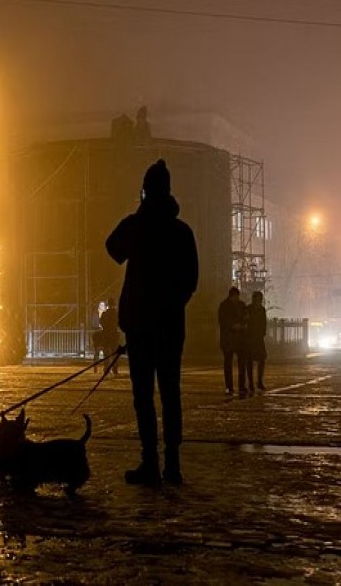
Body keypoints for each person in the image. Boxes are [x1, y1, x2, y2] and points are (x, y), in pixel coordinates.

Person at [106, 159, 198, 486]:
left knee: (143, 396)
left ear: (145, 191)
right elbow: (191, 281)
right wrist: (171, 306)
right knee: (171, 395)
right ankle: (172, 464)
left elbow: (112, 247)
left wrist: (140, 211)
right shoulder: (182, 231)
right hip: (171, 328)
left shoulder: (138, 225)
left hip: (141, 328)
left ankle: (150, 461)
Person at [218, 287, 247, 396]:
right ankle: (229, 386)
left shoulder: (240, 305)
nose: (236, 299)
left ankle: (241, 385)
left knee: (241, 363)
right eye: (235, 297)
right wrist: (233, 326)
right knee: (228, 364)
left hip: (239, 339)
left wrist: (243, 324)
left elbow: (245, 317)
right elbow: (223, 322)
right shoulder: (224, 306)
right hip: (229, 339)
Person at [245, 291, 267, 391]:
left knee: (261, 359)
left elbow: (264, 322)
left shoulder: (262, 310)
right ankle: (251, 383)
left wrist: (263, 332)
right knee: (250, 361)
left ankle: (259, 381)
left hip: (258, 338)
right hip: (250, 338)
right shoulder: (248, 309)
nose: (259, 301)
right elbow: (245, 321)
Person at [99, 298, 121, 376]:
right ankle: (115, 369)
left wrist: (105, 328)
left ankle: (106, 369)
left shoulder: (105, 314)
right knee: (115, 353)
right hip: (114, 335)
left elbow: (101, 322)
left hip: (106, 335)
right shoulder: (116, 314)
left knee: (106, 353)